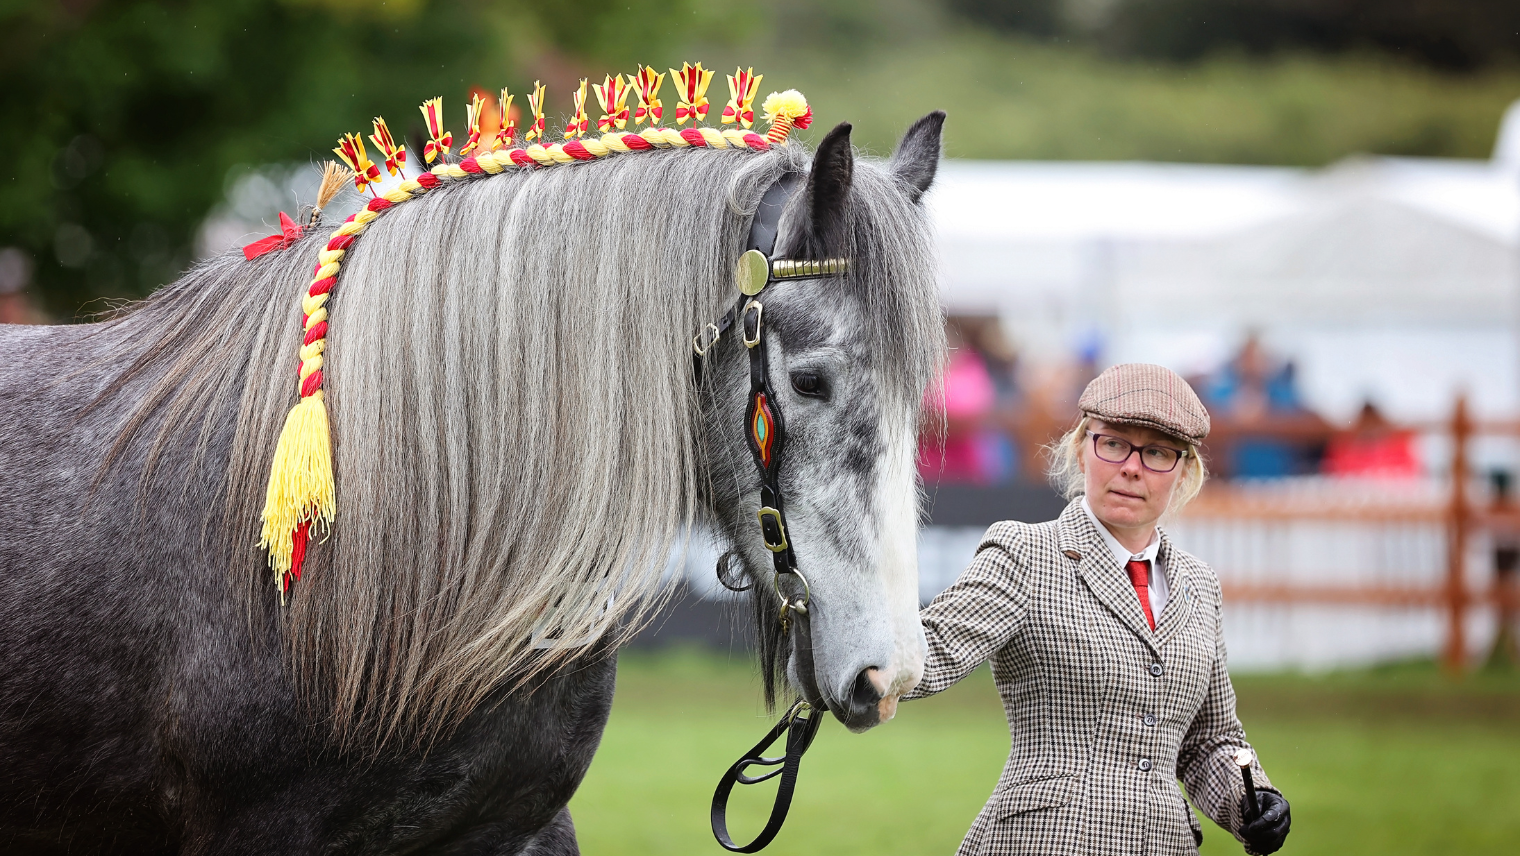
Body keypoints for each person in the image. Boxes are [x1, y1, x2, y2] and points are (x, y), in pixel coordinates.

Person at [907, 363, 1291, 856]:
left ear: (1185, 471)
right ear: (1082, 448)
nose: (1132, 466)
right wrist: (828, 642)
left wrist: (1252, 800)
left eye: (1156, 452)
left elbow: (1208, 740)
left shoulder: (1200, 586)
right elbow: (930, 650)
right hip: (1042, 842)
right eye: (1114, 443)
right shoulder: (1025, 552)